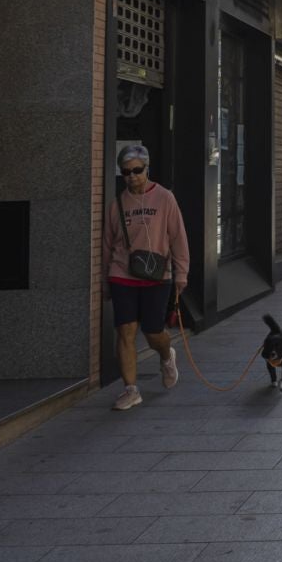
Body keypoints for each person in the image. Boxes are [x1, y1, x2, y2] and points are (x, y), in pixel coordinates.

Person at [101, 144, 190, 410]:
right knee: (125, 332)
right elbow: (108, 244)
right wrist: (105, 280)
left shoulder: (165, 198)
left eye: (137, 171)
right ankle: (130, 389)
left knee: (153, 332)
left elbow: (177, 237)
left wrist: (181, 273)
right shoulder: (116, 204)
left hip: (157, 274)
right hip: (122, 274)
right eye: (126, 172)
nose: (131, 176)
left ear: (146, 168)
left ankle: (166, 355)